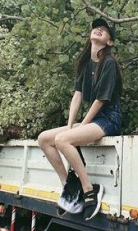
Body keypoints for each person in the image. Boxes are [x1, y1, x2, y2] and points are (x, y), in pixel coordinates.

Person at [37, 18, 122, 219]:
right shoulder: (85, 63)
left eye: (105, 29)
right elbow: (77, 97)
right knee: (44, 139)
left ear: (109, 42)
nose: (99, 29)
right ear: (90, 35)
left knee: (62, 140)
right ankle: (69, 188)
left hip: (108, 119)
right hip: (92, 121)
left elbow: (101, 100)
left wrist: (78, 127)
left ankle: (88, 190)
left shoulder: (108, 63)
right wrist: (69, 126)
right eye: (96, 27)